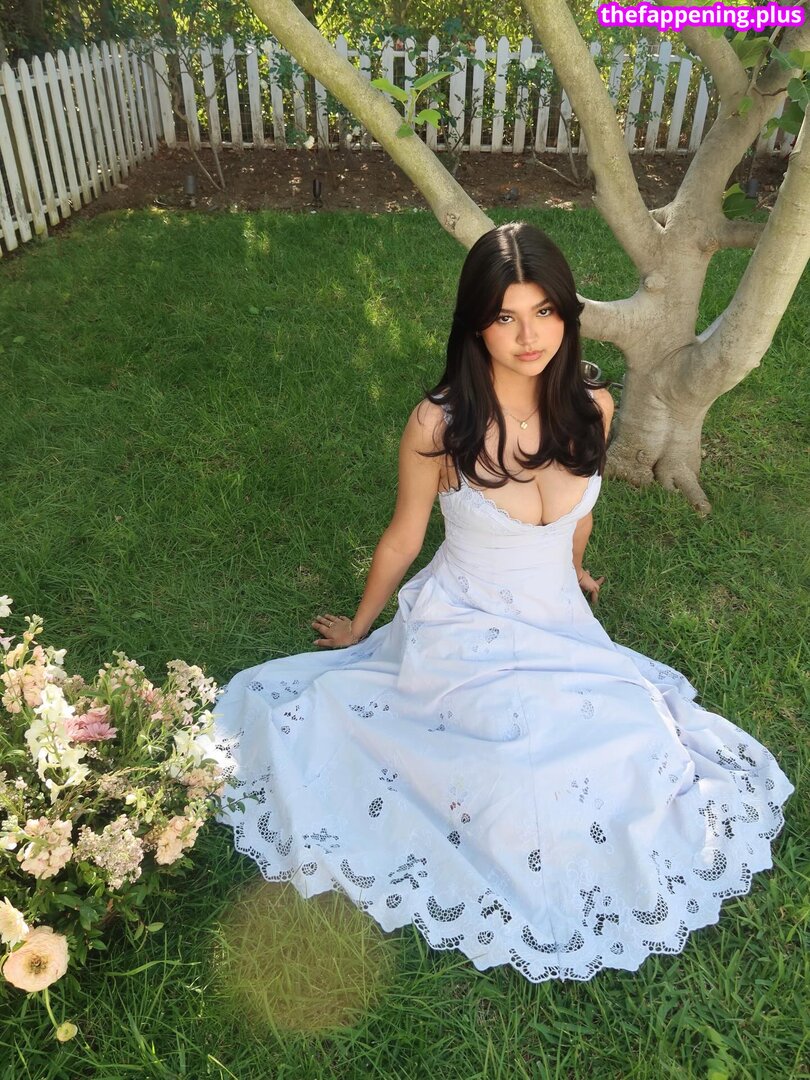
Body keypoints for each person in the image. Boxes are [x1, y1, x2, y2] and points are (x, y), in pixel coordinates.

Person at [203, 222, 794, 983]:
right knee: (514, 773)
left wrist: (573, 572)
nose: (529, 336)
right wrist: (359, 627)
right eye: (506, 317)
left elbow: (579, 515)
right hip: (463, 624)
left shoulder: (592, 404)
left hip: (557, 620)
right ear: (476, 323)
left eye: (544, 312)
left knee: (638, 747)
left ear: (566, 313)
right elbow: (403, 538)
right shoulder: (440, 424)